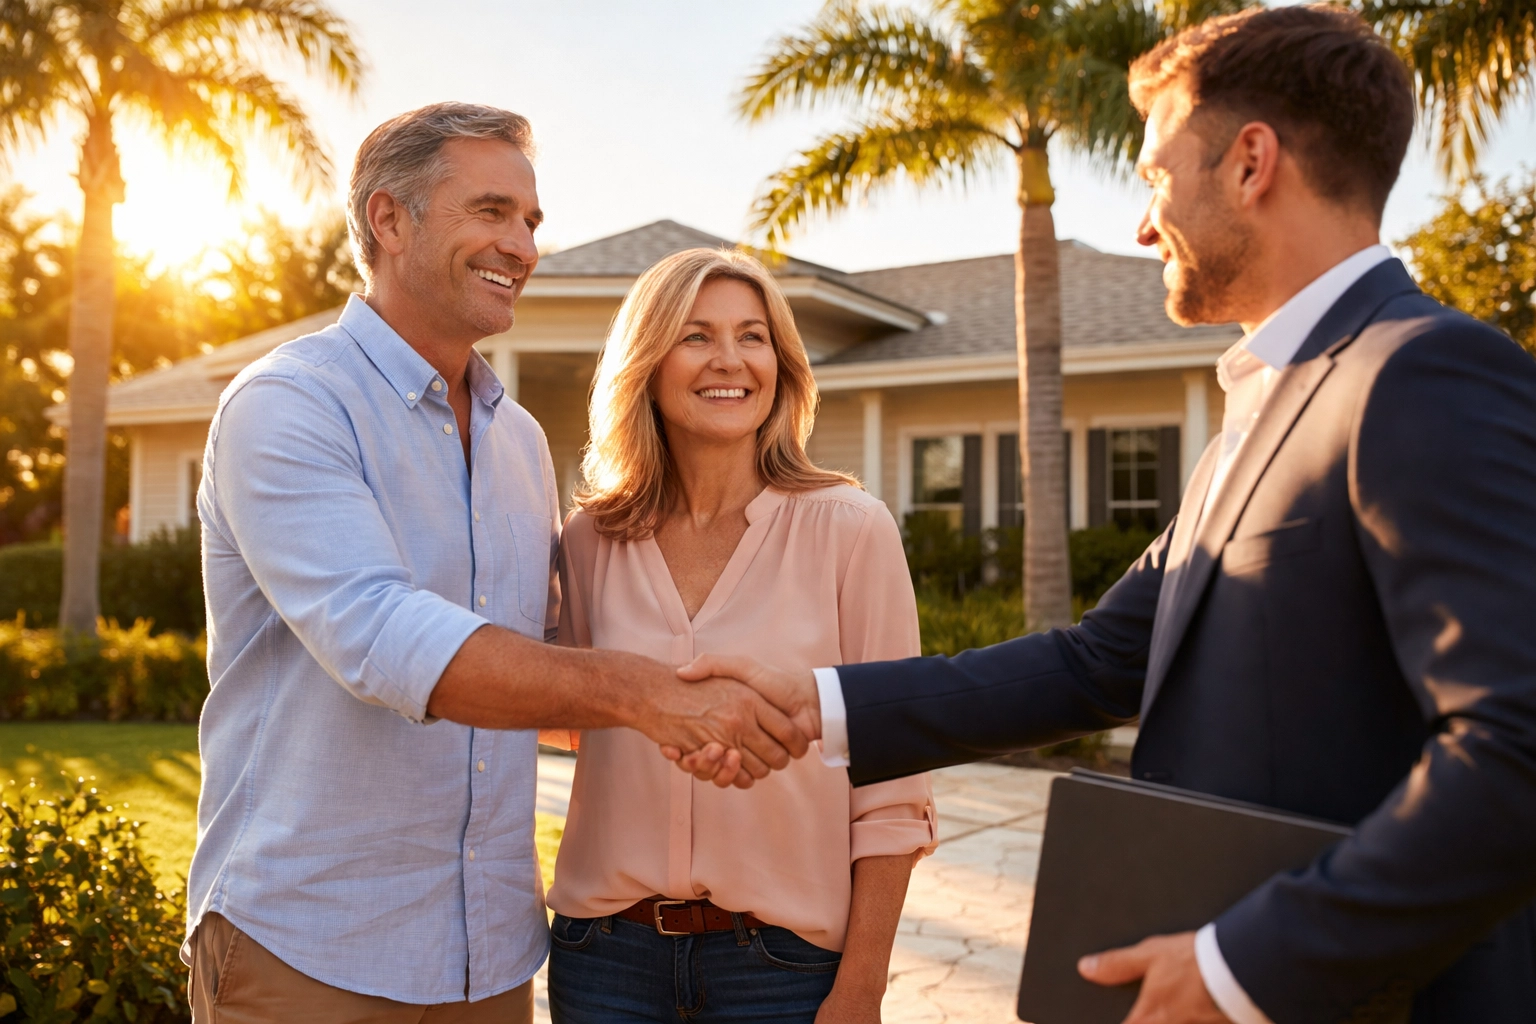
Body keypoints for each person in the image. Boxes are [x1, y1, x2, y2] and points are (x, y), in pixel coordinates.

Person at [674, 8, 1536, 1023]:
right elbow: (1095, 662)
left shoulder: (1418, 372)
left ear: (1251, 162)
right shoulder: (1254, 421)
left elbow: (1515, 741)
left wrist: (1244, 965)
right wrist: (812, 705)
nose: (1141, 221)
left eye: (1154, 174)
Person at [183, 103, 806, 1023]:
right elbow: (382, 637)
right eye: (491, 211)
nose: (521, 244)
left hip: (489, 961)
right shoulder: (290, 406)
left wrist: (743, 708)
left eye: (530, 220)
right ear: (389, 220)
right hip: (309, 950)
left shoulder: (517, 440)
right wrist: (652, 696)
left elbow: (546, 669)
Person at [543, 247, 937, 1023]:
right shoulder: (590, 540)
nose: (731, 360)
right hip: (604, 961)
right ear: (647, 364)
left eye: (753, 336)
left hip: (784, 968)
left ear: (782, 365)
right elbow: (562, 716)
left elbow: (896, 785)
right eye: (696, 335)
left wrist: (862, 987)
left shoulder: (850, 532)